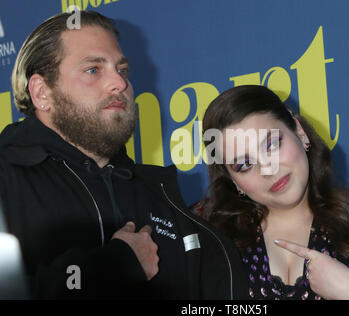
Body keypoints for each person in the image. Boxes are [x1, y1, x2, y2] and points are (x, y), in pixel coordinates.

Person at [0, 11, 247, 299]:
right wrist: (115, 266)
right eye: (93, 69)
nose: (119, 83)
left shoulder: (161, 197)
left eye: (123, 70)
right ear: (42, 93)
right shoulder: (7, 179)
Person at [197, 85, 349, 300]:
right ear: (233, 181)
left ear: (299, 132)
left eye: (272, 145)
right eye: (244, 165)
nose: (268, 170)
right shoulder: (208, 234)